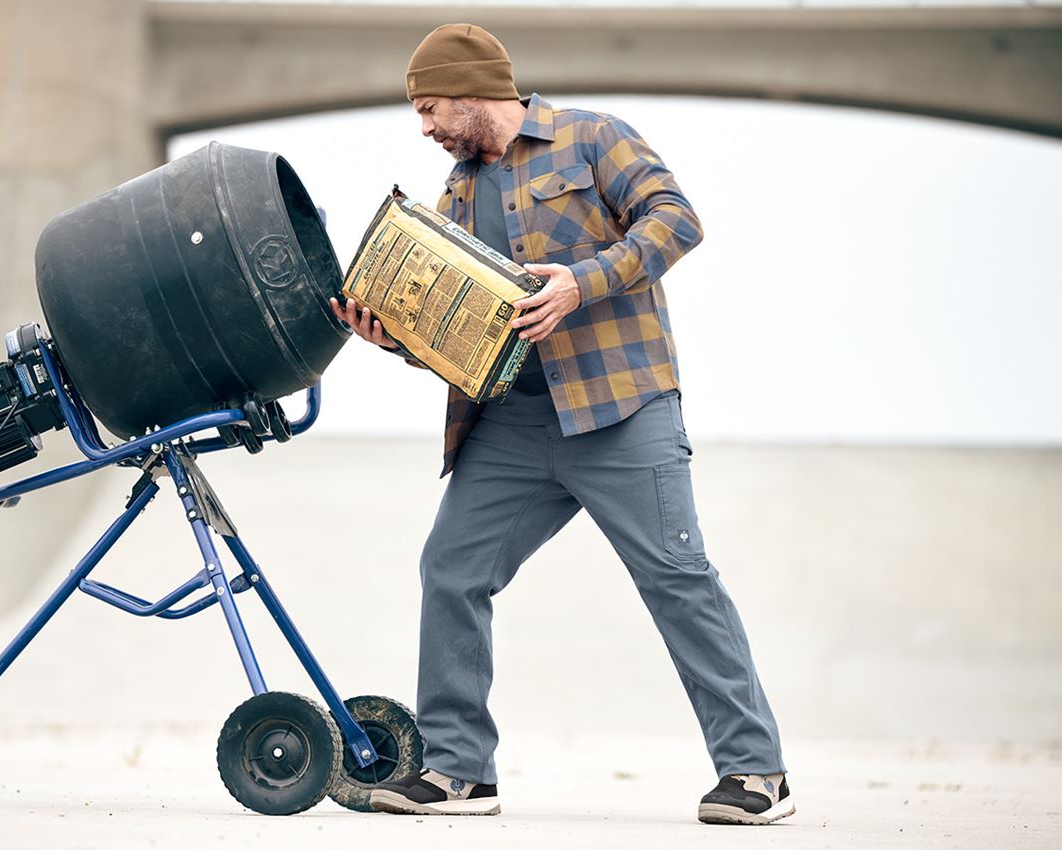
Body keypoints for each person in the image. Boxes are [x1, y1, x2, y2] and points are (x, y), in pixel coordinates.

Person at [329, 22, 793, 825]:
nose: (426, 127)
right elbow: (462, 330)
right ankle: (458, 774)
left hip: (622, 410)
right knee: (451, 571)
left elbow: (675, 219)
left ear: (476, 91)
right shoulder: (457, 195)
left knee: (679, 582)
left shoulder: (592, 138)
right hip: (511, 427)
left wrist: (583, 281)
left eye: (432, 107)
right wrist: (395, 338)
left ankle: (757, 776)